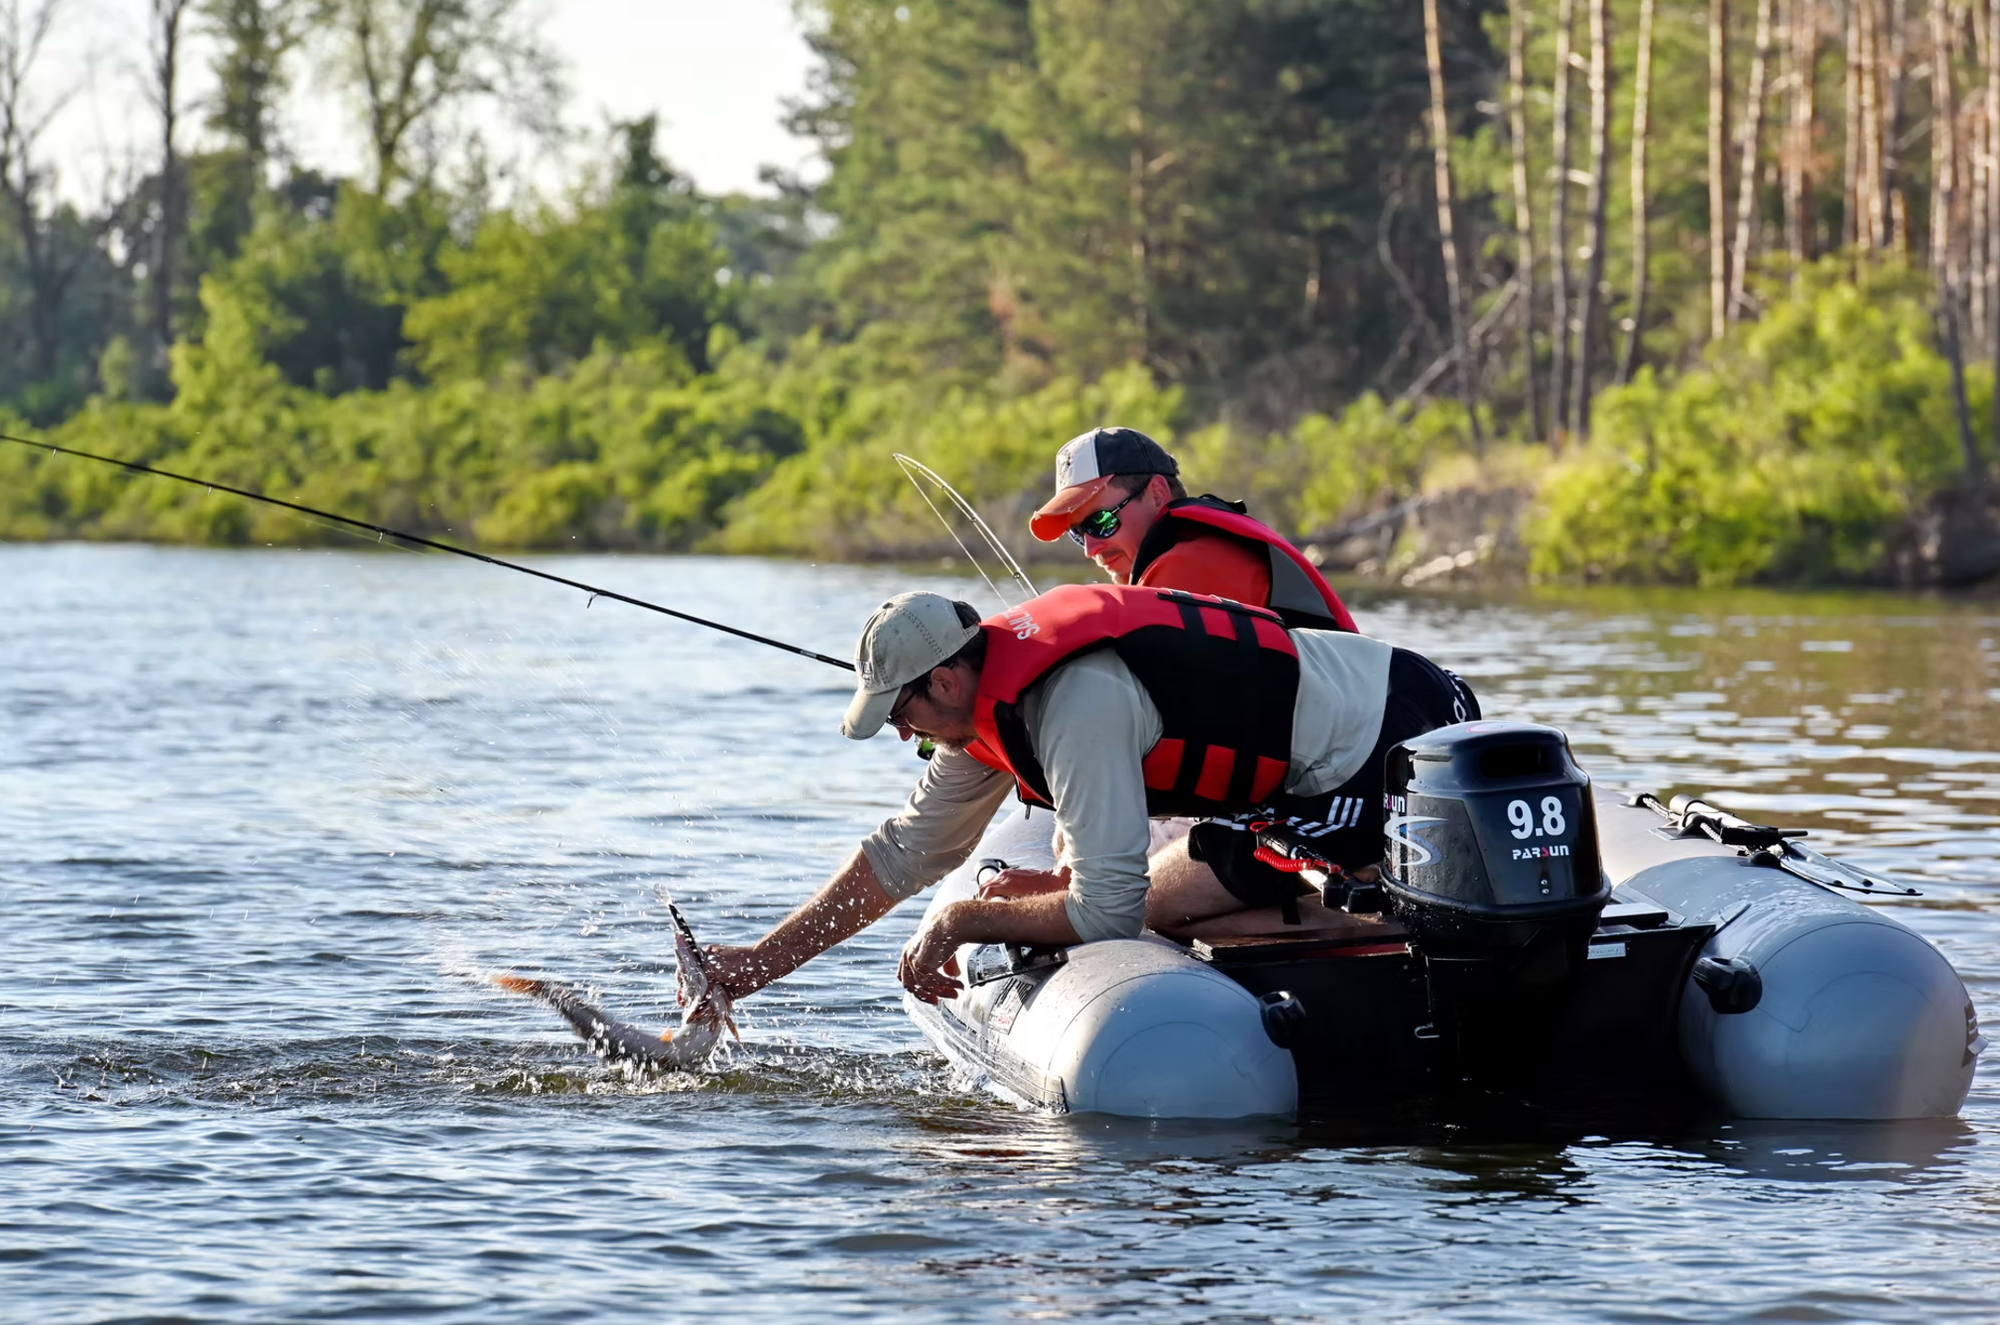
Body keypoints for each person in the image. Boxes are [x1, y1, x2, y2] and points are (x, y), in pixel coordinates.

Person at [705, 581, 1477, 1007]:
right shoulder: (979, 713)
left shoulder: (1075, 702)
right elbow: (902, 853)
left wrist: (964, 917)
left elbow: (1105, 912)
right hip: (1294, 783)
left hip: (1385, 737)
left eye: (901, 715)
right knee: (1166, 892)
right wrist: (757, 964)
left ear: (943, 678)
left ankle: (1384, 930)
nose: (906, 737)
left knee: (1150, 901)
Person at [1028, 426, 1358, 633]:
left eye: (1100, 522)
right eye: (1077, 534)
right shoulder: (1189, 548)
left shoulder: (1187, 564)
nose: (1090, 549)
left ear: (1157, 494)